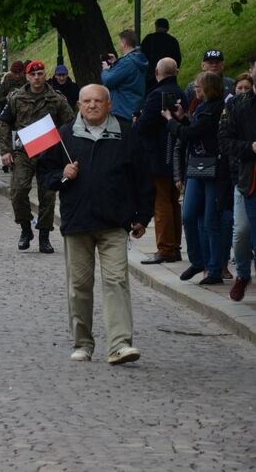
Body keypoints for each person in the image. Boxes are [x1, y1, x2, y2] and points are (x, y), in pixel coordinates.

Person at [38, 84, 153, 365]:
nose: (92, 106)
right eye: (87, 101)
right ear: (78, 105)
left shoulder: (126, 134)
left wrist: (142, 216)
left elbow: (143, 178)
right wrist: (63, 175)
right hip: (78, 222)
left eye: (98, 101)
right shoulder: (64, 136)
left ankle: (120, 344)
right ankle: (82, 343)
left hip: (114, 222)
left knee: (116, 281)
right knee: (79, 286)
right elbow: (45, 176)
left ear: (109, 105)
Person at [0, 60, 75, 253]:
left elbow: (70, 125)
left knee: (47, 196)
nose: (37, 78)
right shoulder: (16, 98)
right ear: (27, 76)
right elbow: (4, 123)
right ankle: (25, 228)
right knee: (18, 191)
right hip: (23, 152)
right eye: (33, 75)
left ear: (44, 74)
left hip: (49, 154)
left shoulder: (56, 99)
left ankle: (44, 236)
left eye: (40, 74)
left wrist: (68, 153)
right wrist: (5, 151)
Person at [163, 71, 225, 285]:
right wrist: (184, 118)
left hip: (213, 168)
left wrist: (171, 121)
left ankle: (214, 268)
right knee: (188, 215)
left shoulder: (215, 109)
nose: (194, 89)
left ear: (208, 87)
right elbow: (194, 129)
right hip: (196, 166)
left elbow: (191, 134)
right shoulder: (200, 107)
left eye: (198, 86)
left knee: (210, 221)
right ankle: (198, 260)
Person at [134, 57, 188, 264]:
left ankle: (166, 248)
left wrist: (137, 122)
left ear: (157, 73)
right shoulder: (181, 93)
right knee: (173, 202)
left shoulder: (156, 95)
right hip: (175, 154)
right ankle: (173, 246)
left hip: (158, 154)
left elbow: (144, 126)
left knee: (161, 202)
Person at [219, 74, 256, 301]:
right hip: (247, 180)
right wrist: (250, 147)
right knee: (242, 231)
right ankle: (243, 274)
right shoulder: (237, 105)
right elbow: (224, 141)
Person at [101, 29, 148, 122]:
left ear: (124, 43)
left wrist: (106, 70)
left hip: (122, 111)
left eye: (120, 42)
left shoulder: (127, 62)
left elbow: (108, 81)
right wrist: (116, 63)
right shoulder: (138, 59)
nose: (119, 45)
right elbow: (127, 77)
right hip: (134, 107)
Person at [140, 18, 182, 91]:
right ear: (168, 28)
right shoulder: (173, 41)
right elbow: (177, 60)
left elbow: (141, 56)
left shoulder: (149, 38)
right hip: (168, 77)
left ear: (156, 27)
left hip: (150, 78)